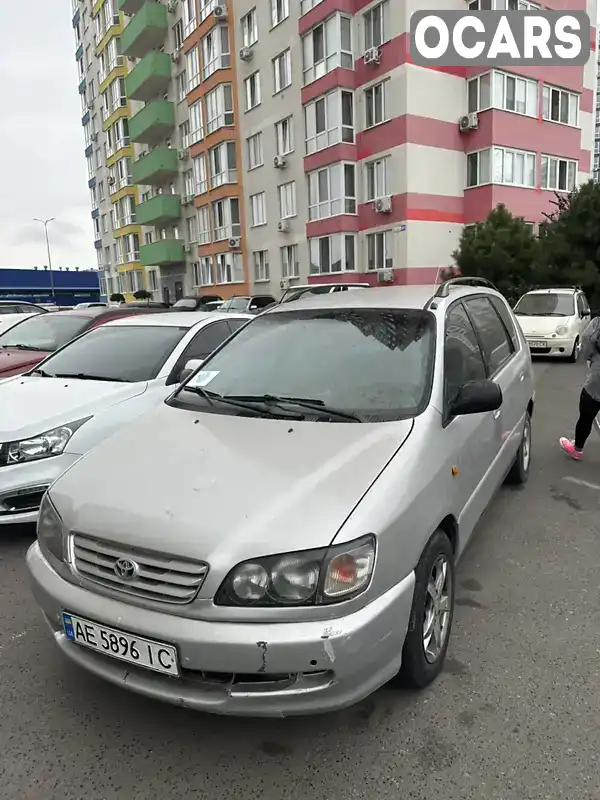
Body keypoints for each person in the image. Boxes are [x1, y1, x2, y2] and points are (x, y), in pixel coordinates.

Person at [560, 316, 600, 460]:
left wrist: (590, 357)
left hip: (598, 381)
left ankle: (577, 449)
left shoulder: (597, 323)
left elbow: (587, 343)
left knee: (586, 415)